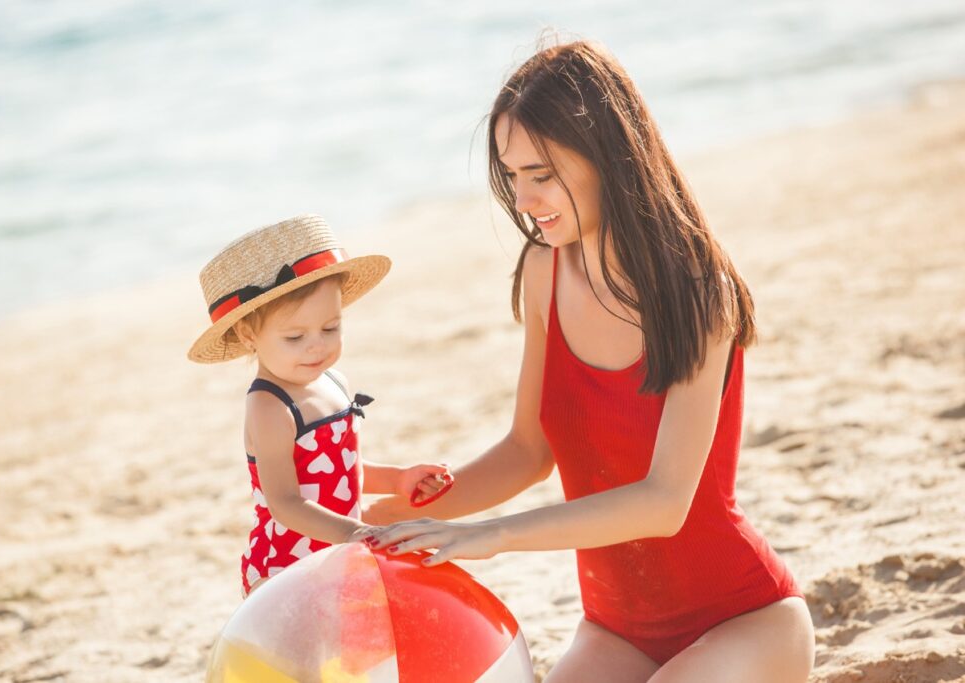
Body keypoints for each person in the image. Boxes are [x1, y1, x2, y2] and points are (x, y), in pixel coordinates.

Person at [362, 41, 815, 681]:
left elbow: (665, 502)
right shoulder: (544, 272)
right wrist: (393, 519)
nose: (522, 198)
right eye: (511, 175)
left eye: (541, 175)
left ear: (606, 156)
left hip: (742, 620)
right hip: (618, 632)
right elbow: (527, 449)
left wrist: (496, 535)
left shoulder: (697, 293)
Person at [187, 214, 452, 597]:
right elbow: (285, 503)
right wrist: (355, 532)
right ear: (248, 335)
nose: (317, 346)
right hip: (288, 566)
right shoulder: (269, 406)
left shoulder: (333, 380)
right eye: (295, 336)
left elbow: (340, 471)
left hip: (340, 551)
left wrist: (398, 479)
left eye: (331, 328)